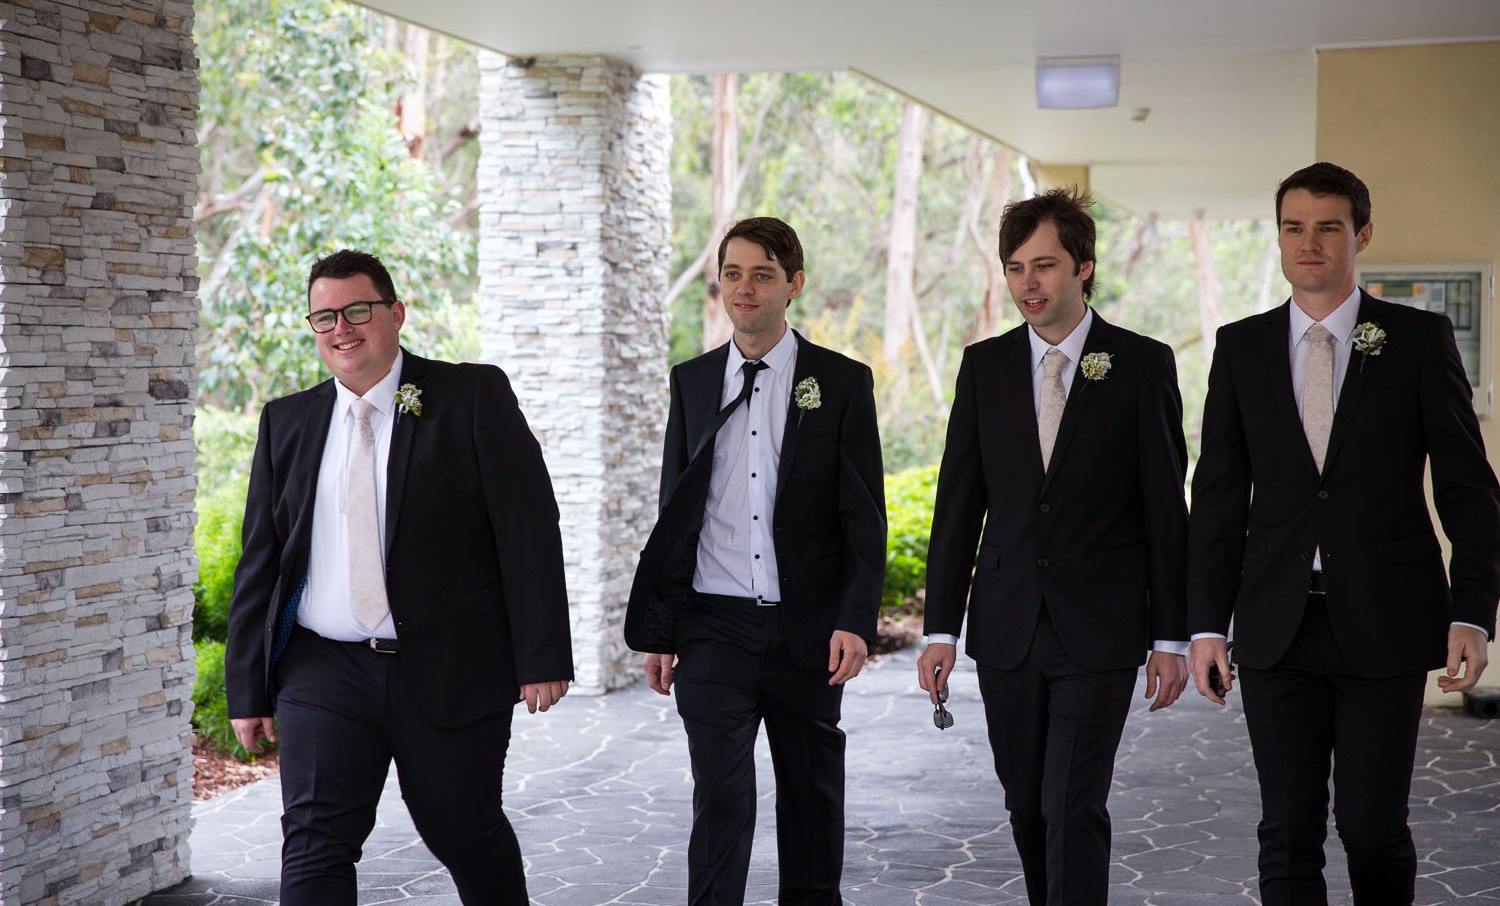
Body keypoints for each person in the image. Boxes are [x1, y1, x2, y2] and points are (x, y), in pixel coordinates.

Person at [1187, 162, 1500, 906]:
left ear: (1362, 234)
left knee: (1371, 827)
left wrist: (1471, 613)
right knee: (1287, 830)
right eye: (1293, 227)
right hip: (1276, 626)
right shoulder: (1241, 347)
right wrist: (1204, 624)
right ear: (1278, 237)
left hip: (1386, 621)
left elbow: (1468, 487)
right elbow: (1218, 496)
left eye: (1328, 227)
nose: (1309, 243)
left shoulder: (1418, 340)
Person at [224, 249, 573, 905]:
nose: (341, 328)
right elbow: (261, 560)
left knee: (463, 831)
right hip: (323, 668)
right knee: (314, 842)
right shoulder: (286, 421)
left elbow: (527, 529)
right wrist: (247, 687)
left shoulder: (472, 396)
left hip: (450, 663)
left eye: (358, 310)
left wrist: (543, 654)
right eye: (324, 317)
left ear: (396, 314)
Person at [918, 188, 1190, 906]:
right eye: (1015, 268)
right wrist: (941, 629)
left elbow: (1167, 511)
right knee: (1027, 805)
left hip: (1100, 629)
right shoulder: (984, 367)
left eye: (1043, 265)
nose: (1027, 284)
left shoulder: (1142, 364)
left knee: (1073, 803)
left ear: (1083, 267)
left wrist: (1170, 637)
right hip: (1007, 626)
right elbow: (958, 506)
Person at [624, 217, 886, 905]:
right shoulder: (691, 381)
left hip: (808, 630)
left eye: (762, 274)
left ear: (793, 284)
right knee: (721, 798)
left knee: (811, 800)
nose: (745, 288)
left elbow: (864, 516)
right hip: (713, 628)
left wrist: (855, 620)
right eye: (733, 274)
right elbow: (675, 510)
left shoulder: (842, 382)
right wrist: (662, 630)